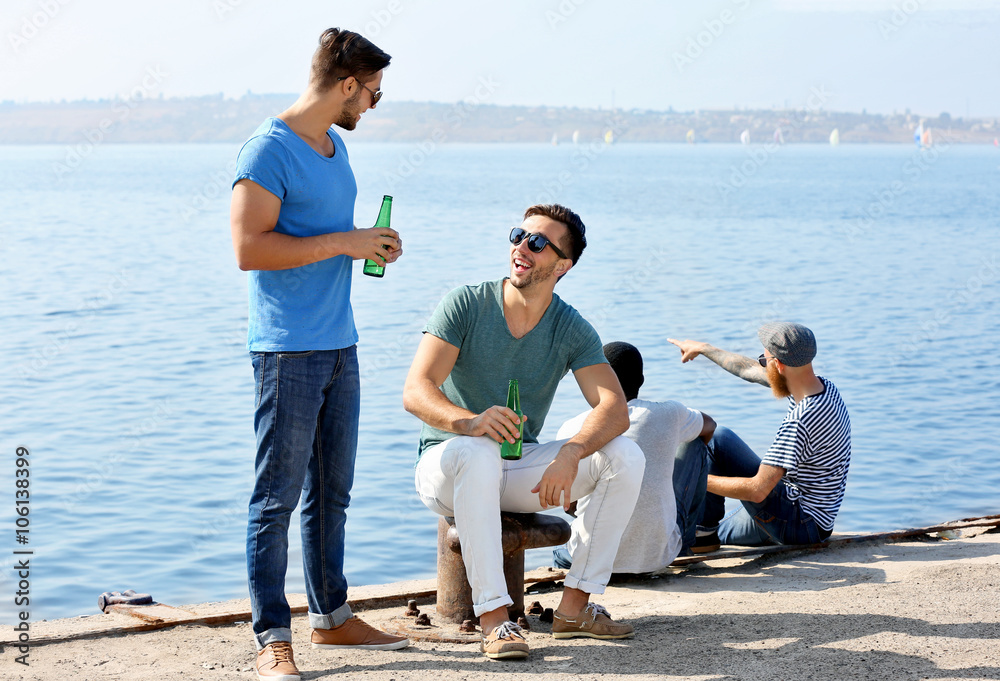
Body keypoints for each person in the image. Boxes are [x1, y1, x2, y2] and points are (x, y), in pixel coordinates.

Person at [230, 27, 408, 681]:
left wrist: (370, 245)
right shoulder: (266, 149)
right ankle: (271, 635)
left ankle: (331, 617)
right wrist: (344, 242)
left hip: (340, 343)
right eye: (373, 95)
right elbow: (250, 249)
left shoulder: (334, 148)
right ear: (345, 84)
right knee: (275, 498)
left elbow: (335, 238)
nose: (373, 107)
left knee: (332, 493)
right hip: (287, 352)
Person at [403, 204, 644, 660]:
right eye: (518, 235)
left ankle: (575, 608)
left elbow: (614, 408)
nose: (521, 247)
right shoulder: (467, 303)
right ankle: (495, 620)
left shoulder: (569, 326)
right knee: (478, 452)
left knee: (624, 457)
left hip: (513, 469)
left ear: (562, 266)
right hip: (446, 467)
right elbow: (416, 390)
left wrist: (571, 452)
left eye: (537, 242)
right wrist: (468, 422)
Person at [667, 323, 851, 552]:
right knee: (718, 437)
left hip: (803, 525)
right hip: (801, 510)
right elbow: (749, 370)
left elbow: (758, 490)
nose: (762, 366)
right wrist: (704, 348)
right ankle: (704, 534)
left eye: (765, 361)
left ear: (779, 365)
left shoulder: (801, 419)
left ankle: (696, 538)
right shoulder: (822, 387)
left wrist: (692, 478)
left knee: (712, 445)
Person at [555, 341, 716, 573]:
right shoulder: (669, 413)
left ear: (597, 382)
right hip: (658, 557)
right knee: (696, 444)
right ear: (641, 380)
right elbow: (710, 426)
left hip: (590, 559)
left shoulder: (571, 427)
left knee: (563, 549)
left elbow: (567, 505)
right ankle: (694, 536)